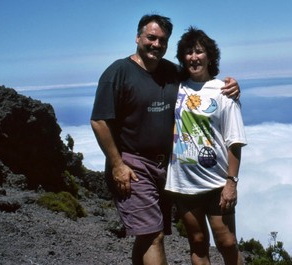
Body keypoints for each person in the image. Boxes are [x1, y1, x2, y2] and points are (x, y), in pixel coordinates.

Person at [90, 15, 240, 265]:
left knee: (147, 235)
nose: (156, 44)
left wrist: (232, 86)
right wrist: (117, 164)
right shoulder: (118, 72)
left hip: (168, 169)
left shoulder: (171, 72)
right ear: (138, 37)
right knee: (152, 234)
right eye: (151, 37)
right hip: (133, 165)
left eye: (162, 40)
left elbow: (201, 81)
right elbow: (99, 121)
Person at [166, 27, 247, 265]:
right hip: (183, 182)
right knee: (198, 243)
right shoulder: (175, 88)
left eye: (199, 52)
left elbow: (235, 141)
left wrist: (231, 183)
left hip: (217, 183)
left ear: (210, 56)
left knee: (227, 243)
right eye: (188, 52)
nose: (194, 57)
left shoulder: (224, 92)